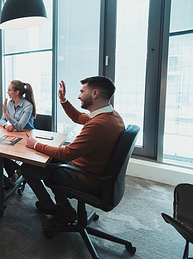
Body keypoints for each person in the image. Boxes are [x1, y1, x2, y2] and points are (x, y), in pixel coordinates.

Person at [22, 76, 125, 226]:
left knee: (27, 169)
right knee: (50, 160)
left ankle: (50, 207)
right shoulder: (111, 115)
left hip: (86, 178)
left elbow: (66, 153)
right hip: (94, 170)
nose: (79, 96)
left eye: (82, 92)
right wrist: (63, 100)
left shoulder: (100, 125)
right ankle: (65, 208)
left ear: (95, 93)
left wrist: (36, 145)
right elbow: (77, 117)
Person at [0, 80, 37, 181]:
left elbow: (20, 127)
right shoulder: (10, 104)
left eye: (9, 90)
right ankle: (15, 173)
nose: (7, 92)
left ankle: (18, 172)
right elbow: (1, 120)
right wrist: (6, 125)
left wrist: (7, 115)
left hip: (27, 137)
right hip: (15, 135)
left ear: (17, 92)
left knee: (2, 155)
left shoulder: (28, 105)